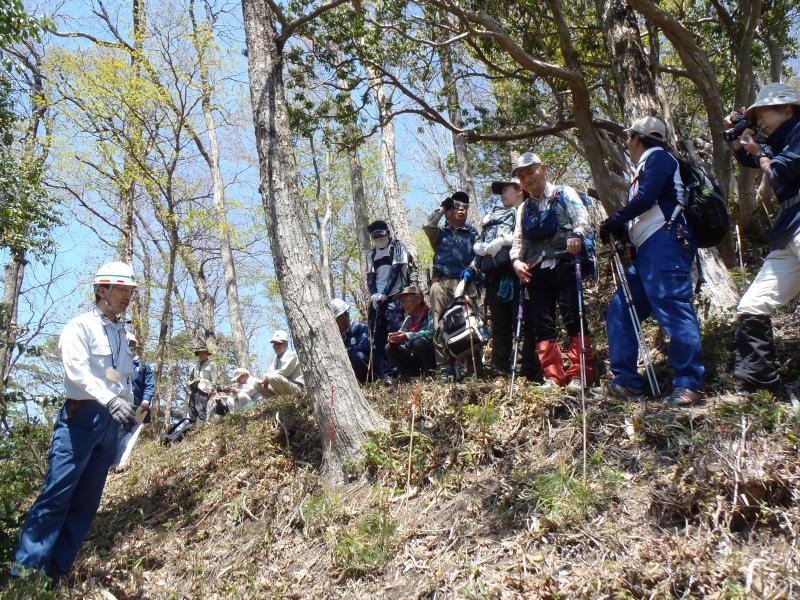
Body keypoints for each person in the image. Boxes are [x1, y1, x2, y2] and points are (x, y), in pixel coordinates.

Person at [12, 262, 140, 579]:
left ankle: (57, 574)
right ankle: (25, 574)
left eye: (131, 290)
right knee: (56, 496)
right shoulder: (80, 326)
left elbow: (122, 379)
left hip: (111, 423)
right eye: (122, 289)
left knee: (86, 502)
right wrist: (110, 399)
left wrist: (129, 412)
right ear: (102, 290)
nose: (128, 296)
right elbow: (77, 372)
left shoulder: (124, 334)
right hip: (81, 417)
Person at [599, 116, 704, 405]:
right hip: (645, 249)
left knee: (672, 305)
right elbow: (645, 203)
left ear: (636, 138)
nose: (626, 144)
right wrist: (622, 229)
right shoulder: (646, 164)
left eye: (628, 138)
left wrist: (616, 219)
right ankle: (627, 382)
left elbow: (647, 197)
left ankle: (688, 383)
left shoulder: (658, 157)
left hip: (666, 241)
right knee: (621, 308)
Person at [727, 82, 800, 396]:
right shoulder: (780, 140)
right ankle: (761, 381)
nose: (761, 120)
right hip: (788, 227)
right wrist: (735, 135)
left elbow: (776, 173)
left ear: (787, 108)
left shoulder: (798, 131)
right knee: (753, 305)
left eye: (765, 112)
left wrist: (758, 153)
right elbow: (748, 159)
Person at [510, 152, 595, 391]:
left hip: (566, 263)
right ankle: (553, 376)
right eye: (522, 175)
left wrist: (577, 235)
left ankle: (581, 374)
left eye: (530, 171)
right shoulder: (523, 209)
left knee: (573, 316)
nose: (527, 178)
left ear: (543, 169)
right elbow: (518, 241)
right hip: (536, 270)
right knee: (542, 323)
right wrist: (516, 261)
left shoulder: (564, 193)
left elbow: (583, 219)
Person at [476, 177, 540, 379]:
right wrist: (481, 247)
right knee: (500, 326)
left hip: (520, 273)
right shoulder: (494, 216)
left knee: (523, 323)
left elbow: (531, 236)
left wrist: (503, 241)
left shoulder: (531, 208)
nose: (503, 194)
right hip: (495, 276)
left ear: (520, 190)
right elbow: (481, 240)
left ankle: (523, 371)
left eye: (506, 189)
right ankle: (499, 372)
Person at [423, 191, 481, 381]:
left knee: (472, 323)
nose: (461, 209)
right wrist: (441, 208)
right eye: (456, 206)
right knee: (439, 325)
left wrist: (471, 271)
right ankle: (445, 370)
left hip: (465, 283)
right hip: (441, 282)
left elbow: (479, 255)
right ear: (449, 211)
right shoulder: (441, 234)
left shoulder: (472, 234)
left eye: (465, 206)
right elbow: (428, 225)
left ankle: (474, 368)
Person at [366, 219, 409, 383]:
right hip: (377, 301)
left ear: (387, 233)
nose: (378, 237)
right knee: (377, 336)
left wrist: (384, 293)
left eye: (380, 233)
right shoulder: (371, 254)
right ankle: (384, 374)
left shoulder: (397, 246)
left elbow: (396, 270)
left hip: (395, 297)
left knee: (394, 334)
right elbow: (370, 276)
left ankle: (398, 370)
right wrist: (374, 294)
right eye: (374, 235)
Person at [385, 285, 436, 378]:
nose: (403, 305)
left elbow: (433, 333)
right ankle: (411, 376)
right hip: (414, 357)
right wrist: (394, 338)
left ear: (418, 299)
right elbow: (401, 333)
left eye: (405, 300)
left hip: (430, 355)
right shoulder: (409, 319)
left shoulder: (430, 313)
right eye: (401, 302)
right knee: (389, 347)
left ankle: (431, 374)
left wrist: (407, 336)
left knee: (419, 342)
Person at [331, 298, 372, 383]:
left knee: (357, 355)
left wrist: (346, 352)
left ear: (343, 317)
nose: (335, 325)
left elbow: (365, 348)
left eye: (336, 321)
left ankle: (367, 382)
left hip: (370, 372)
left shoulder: (362, 329)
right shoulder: (339, 338)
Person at [260, 330, 304, 396]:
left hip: (296, 387)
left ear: (286, 344)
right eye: (275, 344)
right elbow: (269, 372)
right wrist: (265, 378)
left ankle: (289, 399)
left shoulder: (291, 355)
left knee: (272, 377)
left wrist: (267, 377)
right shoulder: (276, 358)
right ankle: (276, 401)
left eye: (279, 343)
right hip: (283, 386)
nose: (276, 346)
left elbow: (284, 372)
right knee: (257, 384)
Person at [187, 345, 219, 423]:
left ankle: (201, 427)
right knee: (192, 408)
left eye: (203, 353)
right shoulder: (196, 365)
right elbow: (190, 376)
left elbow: (214, 378)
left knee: (200, 408)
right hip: (194, 388)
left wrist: (212, 388)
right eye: (199, 353)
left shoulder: (212, 364)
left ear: (207, 354)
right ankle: (191, 428)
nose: (201, 355)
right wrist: (189, 383)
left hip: (204, 389)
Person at [127, 331, 154, 423]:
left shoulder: (143, 366)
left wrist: (146, 400)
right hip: (119, 405)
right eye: (127, 342)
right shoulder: (114, 363)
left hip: (138, 406)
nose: (129, 345)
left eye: (132, 343)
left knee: (134, 434)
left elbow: (149, 385)